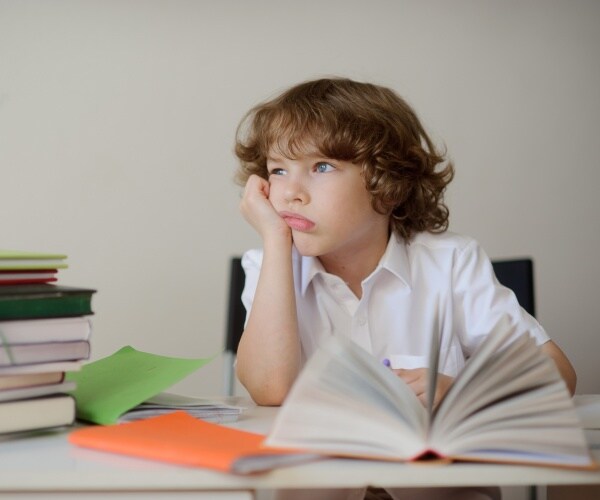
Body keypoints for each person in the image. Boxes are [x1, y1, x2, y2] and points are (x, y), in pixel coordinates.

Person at [233, 77, 576, 500]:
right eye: (277, 170)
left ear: (386, 181)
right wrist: (273, 240)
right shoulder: (269, 266)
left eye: (321, 167)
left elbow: (558, 375)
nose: (290, 193)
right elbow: (269, 388)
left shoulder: (451, 263)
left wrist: (464, 393)